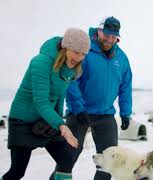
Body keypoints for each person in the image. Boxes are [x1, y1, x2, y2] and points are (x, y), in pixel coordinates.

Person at [1, 28, 90, 180]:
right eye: (76, 52)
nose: (79, 57)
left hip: (47, 120)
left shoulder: (70, 69)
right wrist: (61, 125)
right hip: (23, 120)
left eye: (83, 54)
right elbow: (40, 101)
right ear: (65, 47)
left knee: (67, 160)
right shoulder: (41, 62)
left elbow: (59, 97)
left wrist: (58, 124)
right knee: (17, 171)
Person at [50, 16, 132, 180]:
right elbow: (71, 80)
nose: (109, 39)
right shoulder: (84, 50)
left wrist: (125, 112)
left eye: (113, 36)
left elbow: (125, 86)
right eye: (106, 35)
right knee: (68, 156)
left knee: (108, 161)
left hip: (106, 115)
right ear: (99, 31)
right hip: (79, 113)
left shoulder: (121, 58)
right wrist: (79, 109)